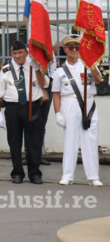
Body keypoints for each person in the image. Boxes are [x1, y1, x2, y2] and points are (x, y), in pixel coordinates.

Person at [0, 41, 47, 184]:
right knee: (14, 142)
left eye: (20, 52)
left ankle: (35, 173)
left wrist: (37, 69)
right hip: (13, 109)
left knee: (33, 143)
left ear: (26, 53)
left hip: (32, 108)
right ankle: (17, 172)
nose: (17, 56)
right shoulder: (5, 70)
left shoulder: (33, 67)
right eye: (14, 53)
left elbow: (44, 84)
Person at [53, 35, 102, 187]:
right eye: (70, 47)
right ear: (65, 50)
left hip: (88, 103)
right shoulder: (59, 71)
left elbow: (99, 80)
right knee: (70, 140)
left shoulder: (88, 65)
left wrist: (92, 64)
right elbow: (56, 93)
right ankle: (67, 175)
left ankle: (93, 176)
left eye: (77, 47)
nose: (74, 50)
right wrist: (57, 113)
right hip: (69, 103)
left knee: (90, 141)